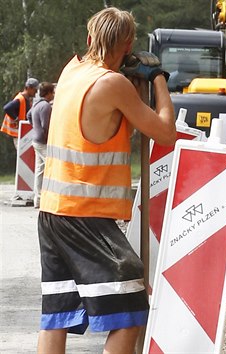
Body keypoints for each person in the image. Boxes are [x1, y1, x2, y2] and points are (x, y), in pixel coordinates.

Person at [37, 7, 175, 354]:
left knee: (58, 313)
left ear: (88, 39)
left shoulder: (72, 71)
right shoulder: (112, 83)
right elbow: (166, 132)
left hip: (53, 213)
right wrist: (158, 77)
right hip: (86, 215)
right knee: (130, 311)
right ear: (128, 45)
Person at [27, 82, 55, 209]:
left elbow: (28, 115)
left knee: (40, 170)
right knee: (52, 167)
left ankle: (37, 199)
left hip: (35, 140)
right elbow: (46, 126)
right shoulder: (46, 106)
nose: (53, 95)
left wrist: (35, 127)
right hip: (43, 142)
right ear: (48, 93)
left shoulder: (36, 104)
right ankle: (50, 198)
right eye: (52, 92)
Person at [2, 77, 39, 148]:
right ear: (29, 88)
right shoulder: (20, 99)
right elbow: (7, 108)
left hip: (22, 133)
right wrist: (16, 119)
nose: (36, 92)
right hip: (18, 133)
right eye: (35, 90)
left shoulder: (26, 99)